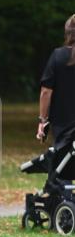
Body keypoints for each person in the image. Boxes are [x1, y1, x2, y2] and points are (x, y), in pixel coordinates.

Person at [37, 14, 75, 150]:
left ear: (67, 33)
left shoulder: (57, 56)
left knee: (63, 164)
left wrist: (42, 120)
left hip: (62, 124)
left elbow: (46, 92)